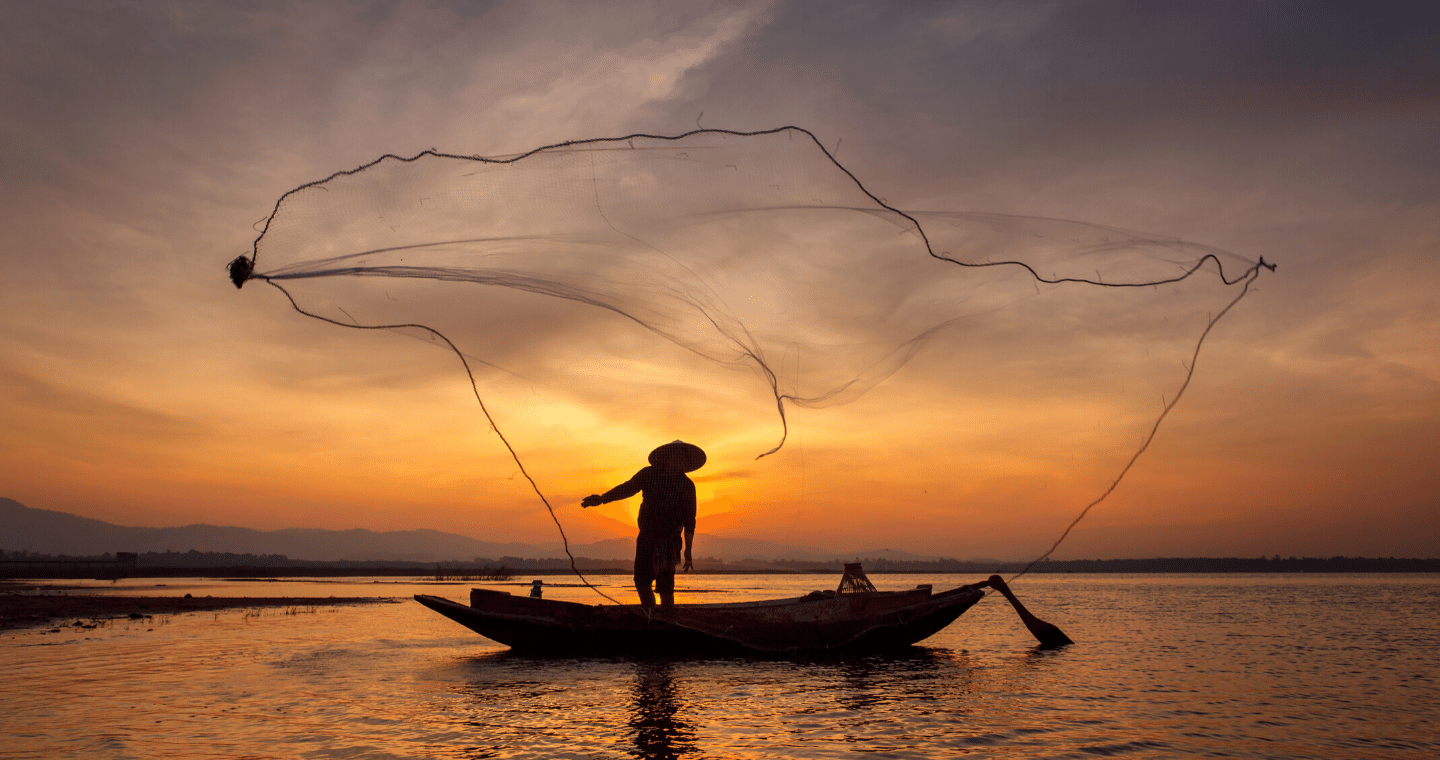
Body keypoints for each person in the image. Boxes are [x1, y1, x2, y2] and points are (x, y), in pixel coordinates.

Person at [581, 441, 705, 608]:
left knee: (666, 588)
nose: (679, 462)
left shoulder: (687, 486)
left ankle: (667, 619)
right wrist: (603, 499)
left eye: (683, 459)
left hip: (670, 542)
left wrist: (688, 551)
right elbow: (628, 488)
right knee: (641, 581)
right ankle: (650, 615)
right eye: (676, 458)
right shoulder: (649, 474)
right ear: (667, 458)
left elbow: (690, 520)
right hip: (647, 537)